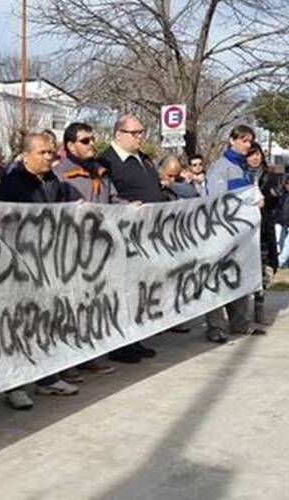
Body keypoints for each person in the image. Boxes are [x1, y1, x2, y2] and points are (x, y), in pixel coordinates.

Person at [0, 132, 81, 410]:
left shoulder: (53, 181)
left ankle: (47, 378)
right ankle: (15, 386)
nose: (49, 158)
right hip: (20, 265)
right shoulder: (12, 183)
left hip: (49, 263)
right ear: (27, 154)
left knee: (46, 322)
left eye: (52, 153)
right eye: (43, 153)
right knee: (19, 326)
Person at [98, 114, 158, 361]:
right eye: (135, 133)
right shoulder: (106, 162)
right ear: (119, 134)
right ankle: (118, 345)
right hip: (121, 237)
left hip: (147, 236)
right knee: (120, 291)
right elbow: (106, 198)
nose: (140, 137)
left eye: (141, 132)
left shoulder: (144, 160)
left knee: (137, 290)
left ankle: (134, 338)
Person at [204, 124, 266, 343]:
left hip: (242, 235)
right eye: (243, 140)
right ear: (232, 140)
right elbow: (219, 200)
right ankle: (216, 327)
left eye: (250, 141)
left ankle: (240, 322)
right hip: (222, 232)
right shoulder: (221, 167)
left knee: (239, 276)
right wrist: (249, 200)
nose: (247, 145)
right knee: (216, 280)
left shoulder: (246, 169)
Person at [247, 143, 280, 324]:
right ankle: (241, 315)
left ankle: (259, 310)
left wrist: (274, 197)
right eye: (251, 155)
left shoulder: (270, 176)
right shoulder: (240, 174)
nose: (254, 158)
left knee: (262, 268)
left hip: (264, 227)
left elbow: (274, 203)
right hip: (244, 229)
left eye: (257, 154)